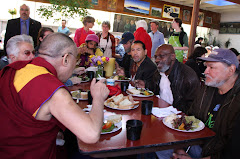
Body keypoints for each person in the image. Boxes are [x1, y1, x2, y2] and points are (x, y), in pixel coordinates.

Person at [0, 33, 109, 158]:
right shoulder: (53, 90)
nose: (75, 64)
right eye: (76, 60)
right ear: (66, 59)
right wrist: (98, 98)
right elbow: (91, 134)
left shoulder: (20, 69)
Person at [171, 49, 240, 159]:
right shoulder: (207, 89)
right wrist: (180, 146)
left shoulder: (236, 102)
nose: (205, 71)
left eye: (211, 67)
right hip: (194, 145)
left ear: (231, 70)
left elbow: (232, 153)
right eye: (206, 66)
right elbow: (190, 117)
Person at [149, 44, 200, 112]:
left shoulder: (187, 76)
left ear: (173, 56)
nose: (157, 60)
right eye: (156, 57)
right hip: (158, 111)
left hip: (176, 117)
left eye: (161, 56)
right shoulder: (158, 73)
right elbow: (153, 92)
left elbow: (192, 107)